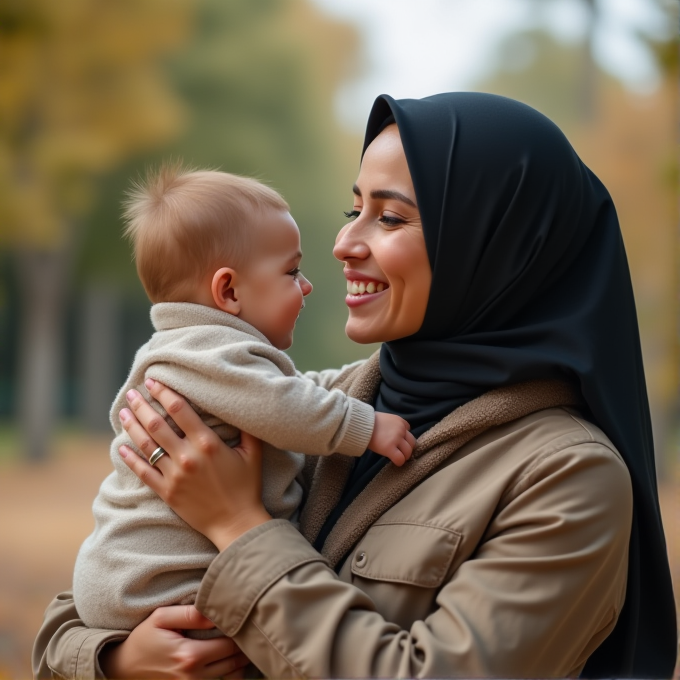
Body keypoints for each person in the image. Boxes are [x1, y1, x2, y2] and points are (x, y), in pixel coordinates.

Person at [33, 93, 677, 679]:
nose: (342, 243)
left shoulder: (567, 478)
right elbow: (90, 597)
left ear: (494, 247)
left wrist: (237, 527)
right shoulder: (307, 403)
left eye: (391, 218)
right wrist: (116, 660)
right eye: (354, 208)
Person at [71, 166, 414, 635]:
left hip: (125, 573)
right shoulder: (212, 352)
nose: (307, 284)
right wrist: (364, 425)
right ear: (228, 291)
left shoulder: (195, 352)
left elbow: (295, 389)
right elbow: (281, 405)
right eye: (292, 272)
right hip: (159, 578)